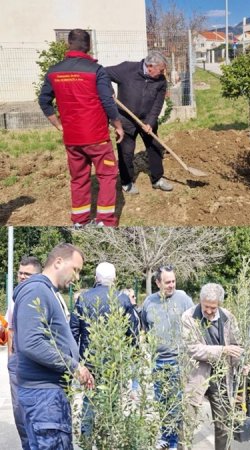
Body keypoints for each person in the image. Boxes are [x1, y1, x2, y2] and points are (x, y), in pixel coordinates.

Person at [38, 29, 124, 227]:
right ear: (89, 45)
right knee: (107, 176)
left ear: (68, 44)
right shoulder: (96, 70)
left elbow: (44, 100)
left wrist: (57, 124)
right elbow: (107, 100)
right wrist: (118, 125)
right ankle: (105, 220)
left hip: (72, 139)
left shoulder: (54, 71)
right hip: (97, 138)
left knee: (79, 179)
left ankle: (79, 220)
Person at [12, 244, 95, 450]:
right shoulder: (36, 290)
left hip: (47, 395)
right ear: (58, 262)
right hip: (44, 397)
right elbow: (31, 342)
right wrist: (73, 366)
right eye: (75, 269)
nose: (76, 278)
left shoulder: (46, 291)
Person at [70, 262, 141, 439]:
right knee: (113, 399)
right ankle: (109, 438)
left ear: (96, 278)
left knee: (89, 400)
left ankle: (87, 440)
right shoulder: (123, 299)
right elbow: (132, 332)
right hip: (114, 361)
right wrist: (132, 357)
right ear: (114, 279)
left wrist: (76, 362)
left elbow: (73, 332)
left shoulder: (83, 298)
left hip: (89, 362)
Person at [182, 283, 244, 450]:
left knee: (224, 423)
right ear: (200, 301)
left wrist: (243, 363)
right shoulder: (189, 317)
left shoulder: (228, 317)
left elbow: (236, 344)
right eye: (206, 307)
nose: (209, 311)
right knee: (187, 422)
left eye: (213, 308)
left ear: (220, 304)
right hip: (196, 376)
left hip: (221, 376)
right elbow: (192, 348)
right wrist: (223, 350)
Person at [141, 265, 195, 450]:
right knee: (161, 401)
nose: (171, 285)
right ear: (157, 282)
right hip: (158, 361)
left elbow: (195, 325)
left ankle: (173, 443)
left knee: (175, 404)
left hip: (178, 360)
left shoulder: (184, 299)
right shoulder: (149, 302)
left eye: (173, 281)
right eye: (167, 282)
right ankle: (166, 438)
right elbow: (146, 328)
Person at [105, 51, 172, 194]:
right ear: (149, 67)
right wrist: (109, 92)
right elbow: (103, 73)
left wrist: (150, 122)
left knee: (155, 147)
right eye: (161, 70)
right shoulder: (127, 69)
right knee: (126, 152)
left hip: (147, 119)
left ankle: (157, 179)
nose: (162, 73)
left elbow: (158, 103)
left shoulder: (160, 80)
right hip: (125, 119)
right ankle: (127, 181)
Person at [5, 256, 42, 450]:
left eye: (27, 274)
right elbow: (10, 328)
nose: (22, 276)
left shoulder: (43, 295)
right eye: (20, 272)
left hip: (37, 364)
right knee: (19, 410)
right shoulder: (15, 297)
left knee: (35, 410)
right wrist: (11, 358)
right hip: (18, 361)